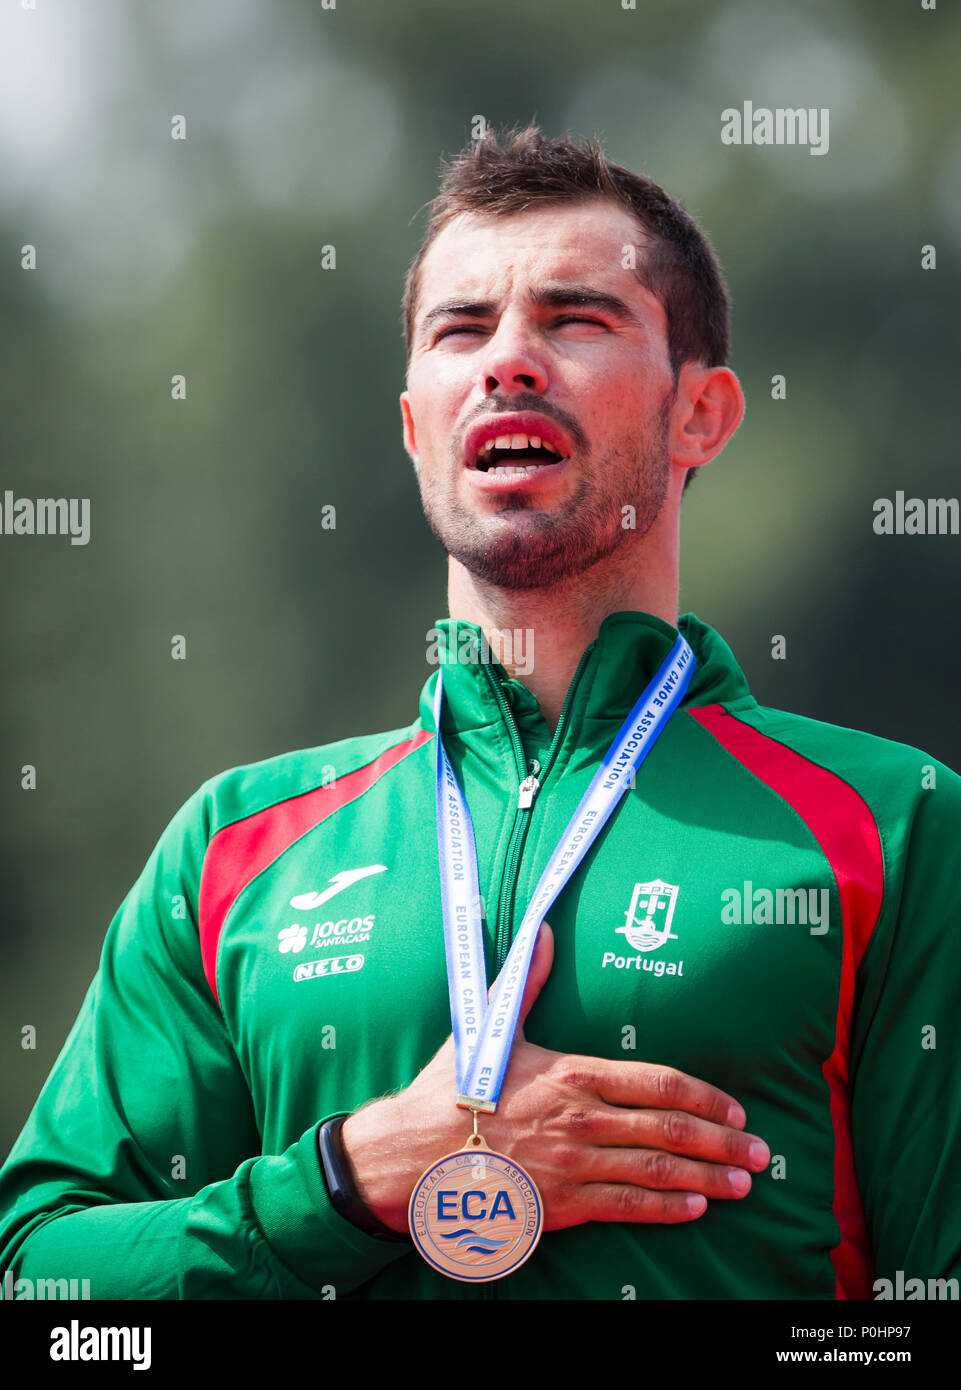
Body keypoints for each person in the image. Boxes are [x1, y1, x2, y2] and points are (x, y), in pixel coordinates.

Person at [1, 124, 958, 1302]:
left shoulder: (894, 824)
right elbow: (40, 1283)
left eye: (575, 319)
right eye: (461, 329)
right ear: (416, 429)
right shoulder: (233, 847)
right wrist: (349, 1183)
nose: (508, 360)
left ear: (700, 415)